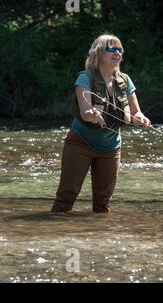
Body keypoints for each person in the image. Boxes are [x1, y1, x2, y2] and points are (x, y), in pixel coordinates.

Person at [51, 33, 150, 213]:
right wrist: (91, 114)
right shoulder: (85, 77)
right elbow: (84, 111)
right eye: (112, 48)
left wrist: (141, 118)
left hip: (111, 147)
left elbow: (136, 113)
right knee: (66, 197)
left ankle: (100, 238)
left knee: (103, 204)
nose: (117, 52)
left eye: (120, 49)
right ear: (98, 52)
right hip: (80, 143)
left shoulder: (125, 81)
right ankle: (54, 234)